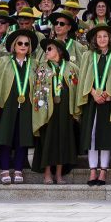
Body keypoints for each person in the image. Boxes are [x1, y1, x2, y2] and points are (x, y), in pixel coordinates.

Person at [0, 30, 39, 184]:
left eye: (26, 44)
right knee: (5, 137)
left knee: (22, 138)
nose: (23, 46)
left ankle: (18, 169)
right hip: (7, 104)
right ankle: (4, 169)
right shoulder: (5, 61)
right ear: (14, 45)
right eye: (20, 43)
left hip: (27, 107)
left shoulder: (35, 64)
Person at [77, 22, 111, 187]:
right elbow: (83, 77)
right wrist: (93, 93)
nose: (102, 39)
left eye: (105, 36)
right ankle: (92, 170)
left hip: (108, 102)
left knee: (106, 136)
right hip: (92, 100)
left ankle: (103, 170)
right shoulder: (88, 55)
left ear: (109, 38)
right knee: (92, 135)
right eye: (99, 36)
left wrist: (108, 93)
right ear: (94, 40)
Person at [32, 39, 80, 184]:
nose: (46, 52)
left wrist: (75, 110)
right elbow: (36, 89)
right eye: (46, 49)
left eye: (49, 49)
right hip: (47, 111)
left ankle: (59, 174)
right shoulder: (42, 68)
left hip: (65, 110)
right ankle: (47, 172)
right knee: (48, 140)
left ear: (59, 51)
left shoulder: (71, 68)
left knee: (63, 140)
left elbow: (76, 88)